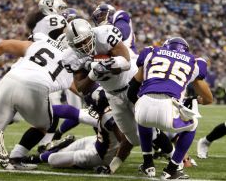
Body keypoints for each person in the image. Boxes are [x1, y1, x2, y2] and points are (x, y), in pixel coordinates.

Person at [0, 32, 74, 170]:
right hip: (36, 86)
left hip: (10, 79)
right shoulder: (72, 60)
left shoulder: (40, 43)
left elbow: (2, 45)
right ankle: (16, 158)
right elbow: (76, 87)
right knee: (43, 126)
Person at [61, 18, 141, 173]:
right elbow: (81, 89)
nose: (84, 46)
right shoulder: (70, 57)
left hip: (132, 85)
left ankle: (167, 160)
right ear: (71, 45)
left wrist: (108, 64)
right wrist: (93, 74)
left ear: (92, 34)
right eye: (78, 44)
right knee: (134, 137)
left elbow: (126, 63)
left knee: (149, 124)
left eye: (85, 41)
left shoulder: (105, 34)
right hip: (112, 93)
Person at [128, 37, 213, 179]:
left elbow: (132, 90)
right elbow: (208, 99)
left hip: (143, 106)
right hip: (167, 108)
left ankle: (148, 165)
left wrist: (140, 104)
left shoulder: (151, 51)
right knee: (192, 125)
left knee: (143, 116)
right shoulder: (194, 61)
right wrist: (197, 100)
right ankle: (172, 170)